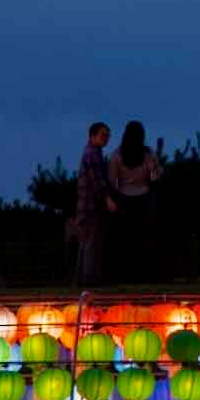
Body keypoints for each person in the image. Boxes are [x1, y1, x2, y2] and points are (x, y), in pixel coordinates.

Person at [109, 120, 166, 279]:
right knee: (145, 238)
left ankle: (124, 273)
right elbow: (155, 176)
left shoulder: (117, 155)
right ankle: (145, 273)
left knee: (124, 239)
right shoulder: (148, 154)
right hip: (145, 199)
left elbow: (113, 181)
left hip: (123, 199)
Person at [72, 121, 116, 285]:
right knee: (91, 245)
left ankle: (81, 280)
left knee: (85, 245)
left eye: (108, 136)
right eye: (103, 135)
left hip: (85, 207)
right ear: (92, 136)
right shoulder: (93, 155)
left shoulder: (91, 153)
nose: (106, 139)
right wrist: (108, 199)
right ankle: (89, 280)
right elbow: (97, 181)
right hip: (91, 207)